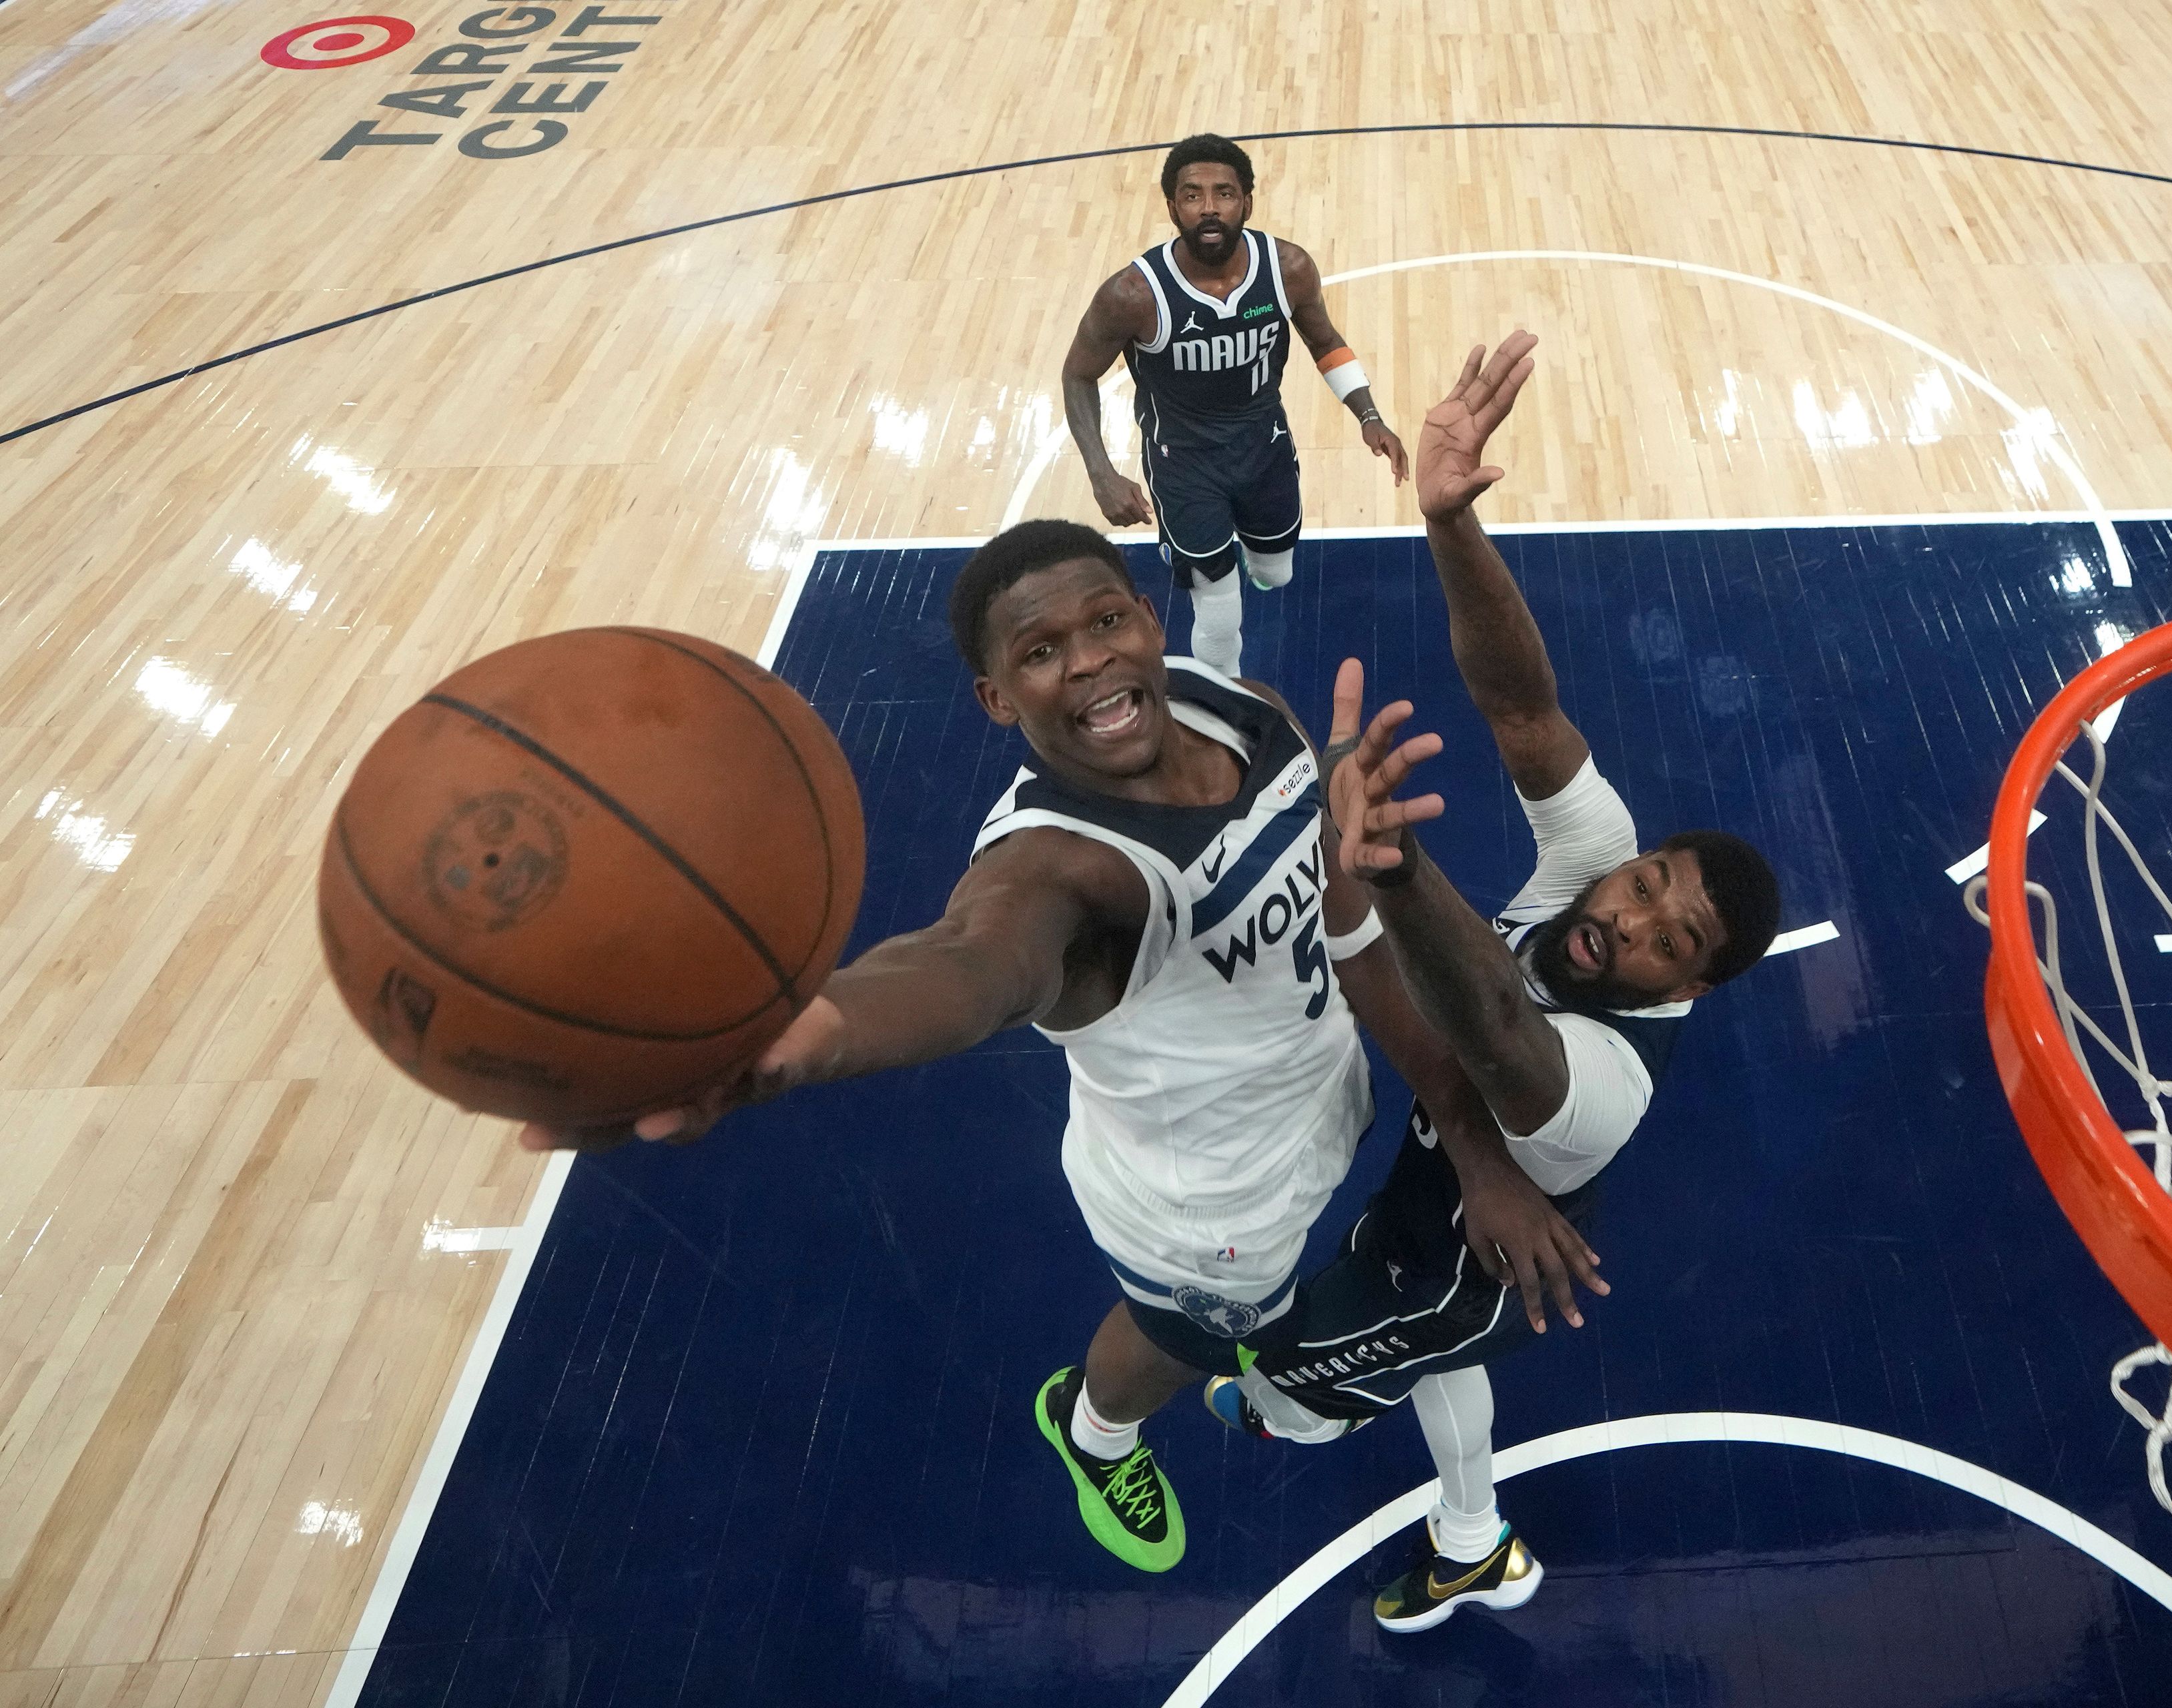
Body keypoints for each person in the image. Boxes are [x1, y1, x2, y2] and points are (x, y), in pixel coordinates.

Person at [522, 518, 1594, 1577]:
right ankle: (1093, 1430)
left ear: (1145, 617)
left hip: (1320, 1100)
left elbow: (1353, 933)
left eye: (1106, 619)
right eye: (1041, 653)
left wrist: (1470, 1139)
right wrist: (802, 1038)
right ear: (997, 699)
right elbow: (968, 964)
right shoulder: (1056, 867)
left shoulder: (1249, 715)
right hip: (1204, 1213)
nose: (1088, 659)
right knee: (1192, 1343)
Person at [1201, 332, 1783, 1633]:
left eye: (1670, 939)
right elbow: (1525, 709)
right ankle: (1475, 1537)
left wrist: (1389, 872)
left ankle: (1328, 1436)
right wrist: (1451, 522)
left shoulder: (1606, 1088)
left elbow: (1488, 1026)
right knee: (1440, 1364)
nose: (1631, 918)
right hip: (1467, 1209)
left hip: (1446, 1261)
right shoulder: (1601, 858)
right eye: (1648, 884)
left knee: (1275, 1388)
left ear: (1692, 981)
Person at [1060, 133, 1408, 679]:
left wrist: (1369, 415)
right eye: (1193, 196)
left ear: (1248, 200)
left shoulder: (1287, 268)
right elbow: (1078, 373)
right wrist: (1101, 473)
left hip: (1263, 443)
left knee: (1276, 573)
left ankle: (1248, 556)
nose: (1209, 208)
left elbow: (1324, 341)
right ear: (1173, 207)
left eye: (1224, 193)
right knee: (1219, 607)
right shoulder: (1133, 295)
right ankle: (1227, 697)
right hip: (1183, 462)